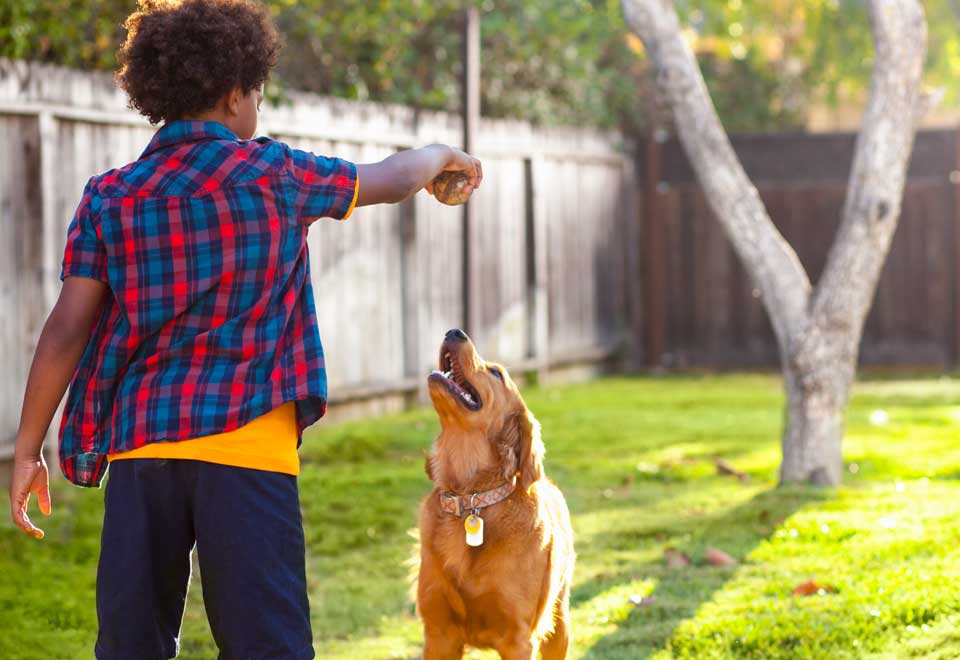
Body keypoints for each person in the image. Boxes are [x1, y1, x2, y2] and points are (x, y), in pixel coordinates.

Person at [7, 1, 482, 658]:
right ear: (235, 97)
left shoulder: (111, 195)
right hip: (248, 446)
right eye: (257, 93)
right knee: (268, 644)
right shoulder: (275, 174)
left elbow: (66, 330)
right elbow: (391, 178)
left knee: (130, 642)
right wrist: (441, 154)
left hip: (145, 451)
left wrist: (29, 450)